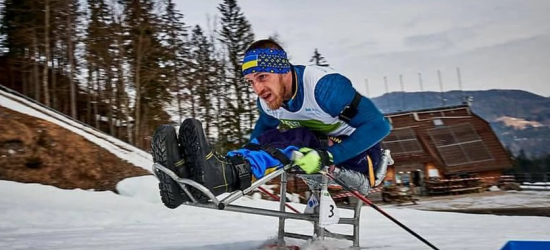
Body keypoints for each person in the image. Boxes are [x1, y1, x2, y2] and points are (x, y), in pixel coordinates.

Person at [151, 39, 392, 209]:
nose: (257, 89)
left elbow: (380, 126)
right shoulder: (269, 103)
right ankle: (194, 177)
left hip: (363, 160)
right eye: (250, 81)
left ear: (283, 69)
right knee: (286, 139)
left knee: (299, 137)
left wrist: (328, 157)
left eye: (262, 77)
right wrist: (241, 156)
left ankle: (220, 177)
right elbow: (262, 137)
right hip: (318, 152)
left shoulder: (324, 88)